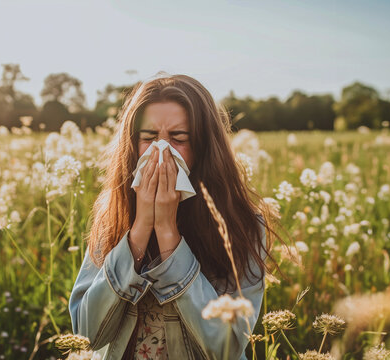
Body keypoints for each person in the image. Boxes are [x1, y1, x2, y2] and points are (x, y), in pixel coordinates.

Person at [68, 72, 278, 359]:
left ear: (204, 147)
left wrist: (168, 233)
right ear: (132, 145)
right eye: (149, 137)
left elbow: (226, 347)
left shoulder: (243, 227)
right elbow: (85, 334)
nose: (161, 150)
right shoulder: (114, 216)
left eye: (178, 138)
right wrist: (140, 229)